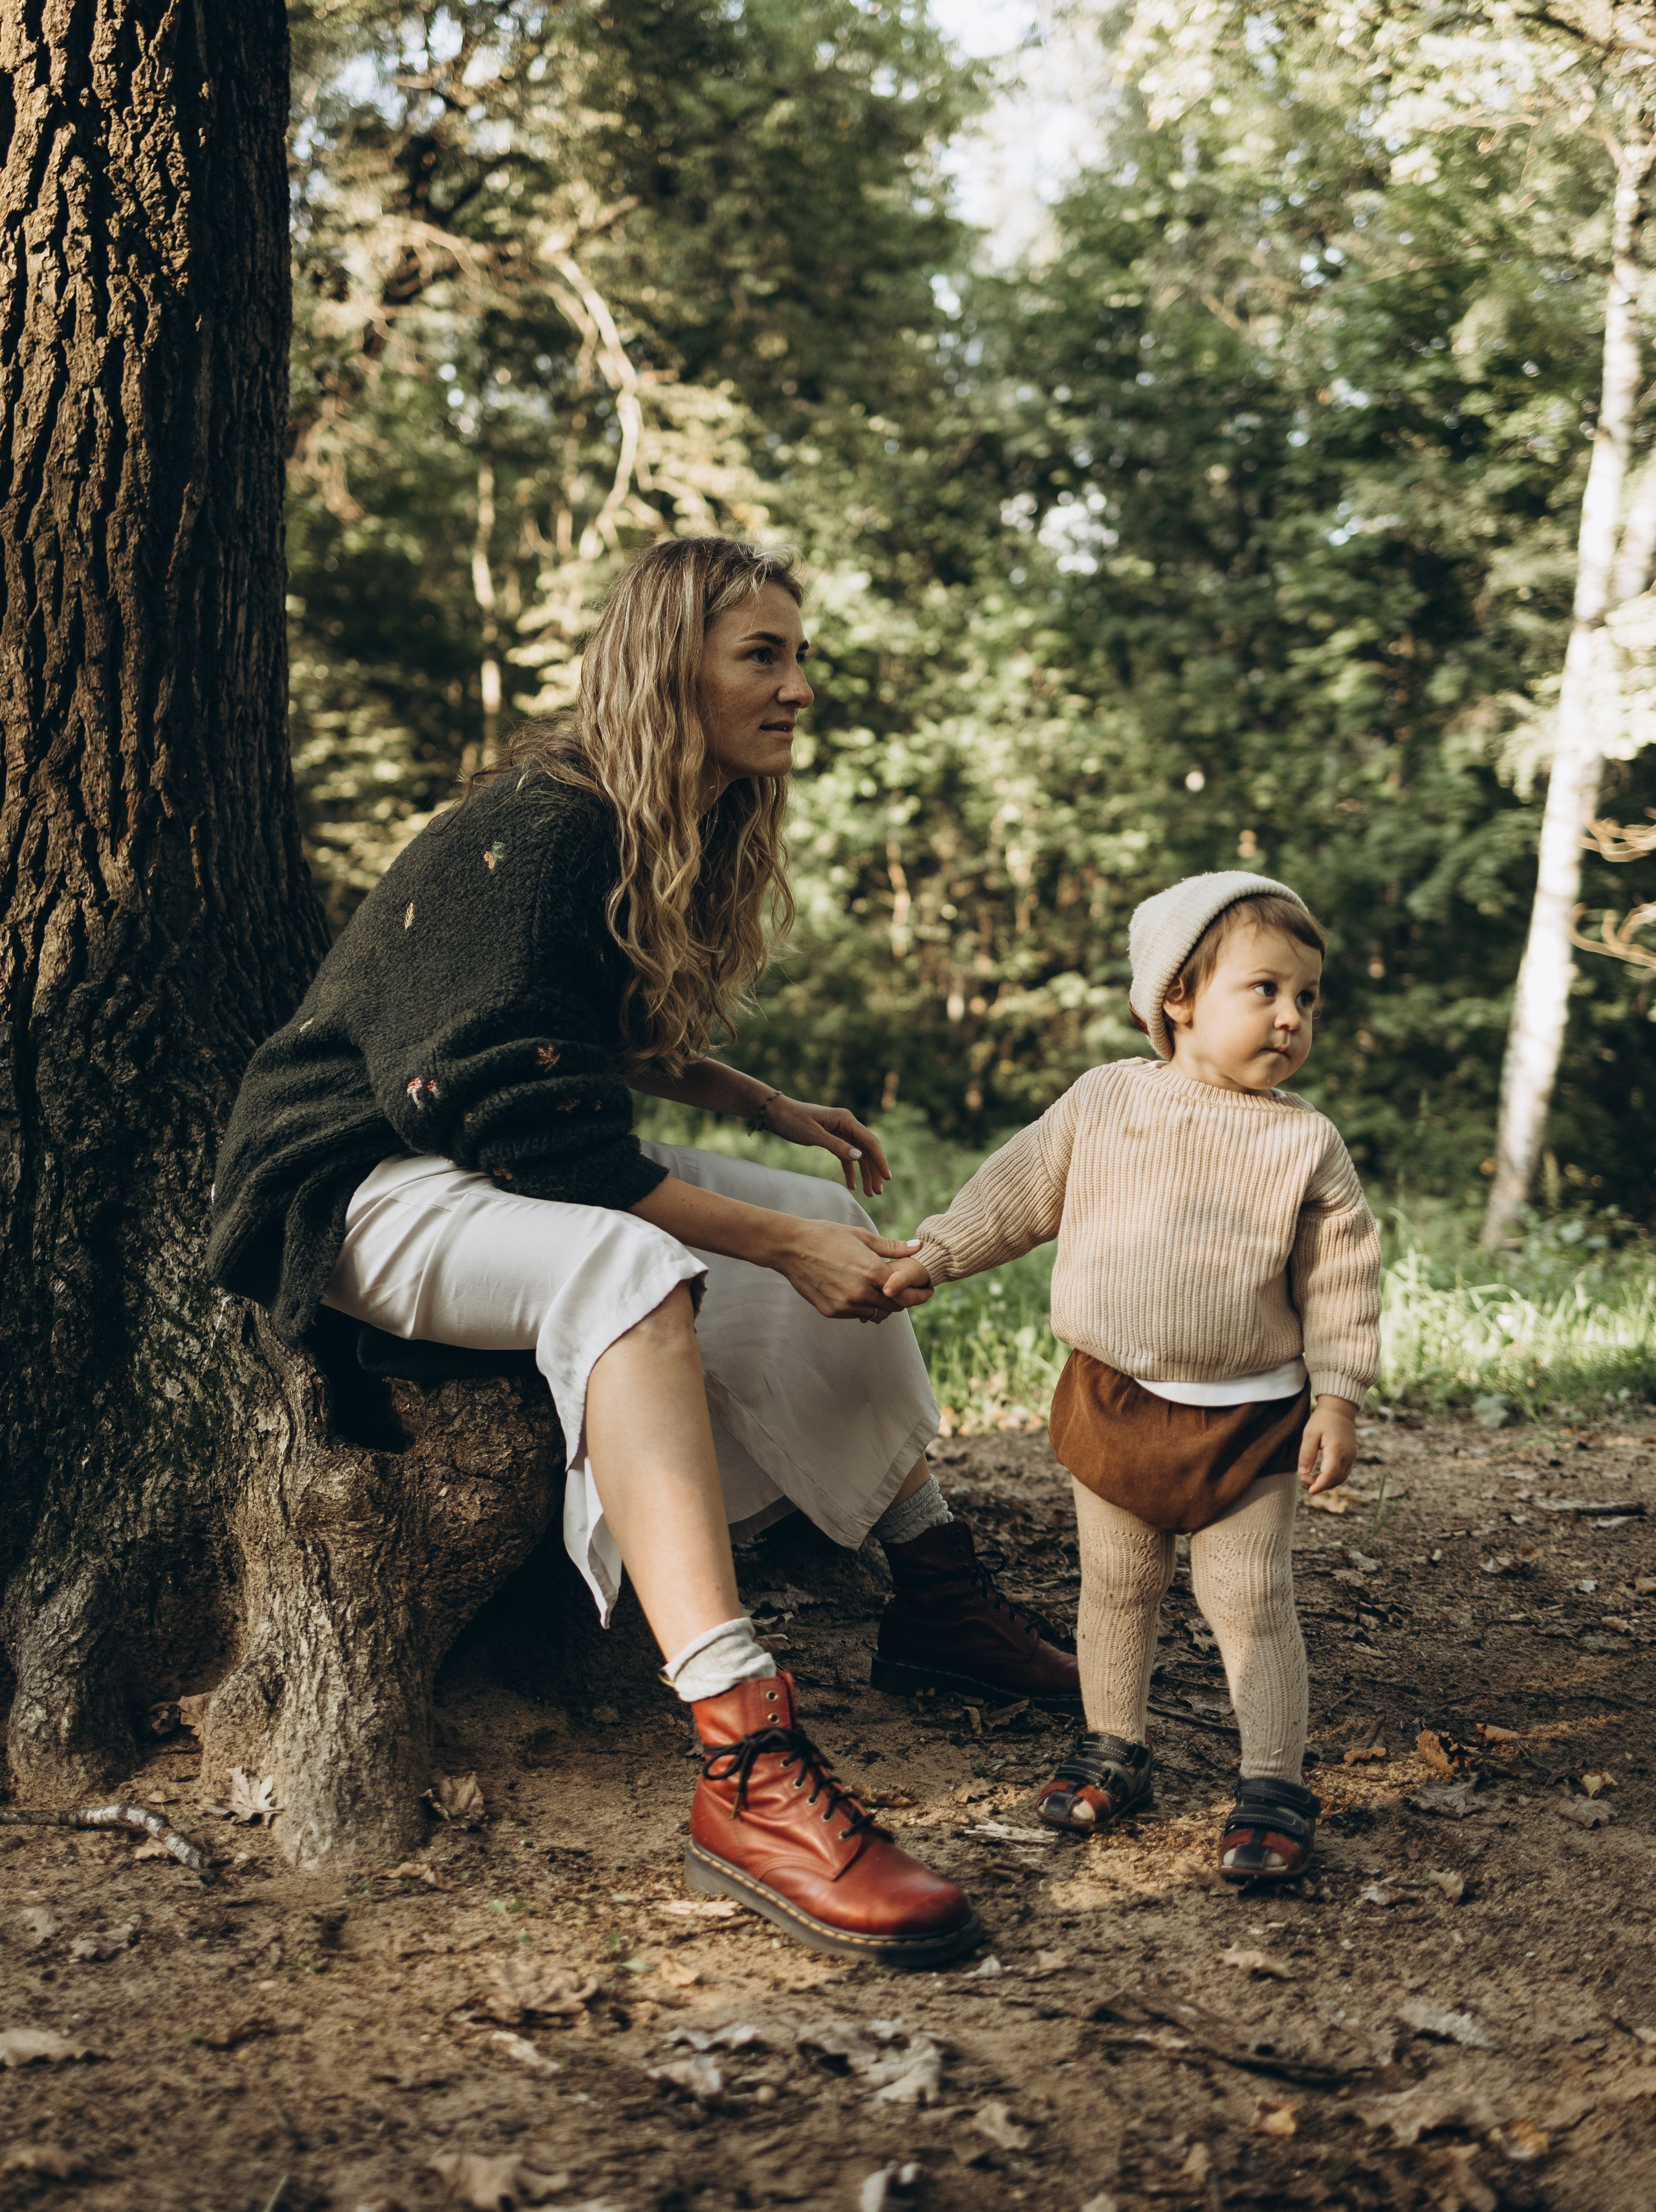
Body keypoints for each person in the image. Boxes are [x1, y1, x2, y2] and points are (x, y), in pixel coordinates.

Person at [209, 535, 1075, 1965]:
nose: (799, 687)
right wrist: (776, 1247)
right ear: (670, 666)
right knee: (637, 1270)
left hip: (477, 1160)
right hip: (355, 1188)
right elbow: (507, 1111)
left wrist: (758, 1108)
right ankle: (743, 1758)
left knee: (822, 1214)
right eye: (763, 657)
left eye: (802, 657)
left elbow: (575, 1041)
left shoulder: (651, 813)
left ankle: (934, 1591)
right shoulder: (547, 823)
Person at [876, 872, 1382, 1881]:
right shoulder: (1108, 1100)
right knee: (1117, 1586)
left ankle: (1273, 1782)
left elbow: (1343, 1278)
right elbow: (1017, 1190)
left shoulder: (1303, 1140)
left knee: (1249, 1597)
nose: (1292, 1016)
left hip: (1248, 1418)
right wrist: (929, 1257)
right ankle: (1116, 1746)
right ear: (1179, 995)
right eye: (1266, 989)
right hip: (1113, 1399)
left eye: (1309, 998)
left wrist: (1338, 1395)